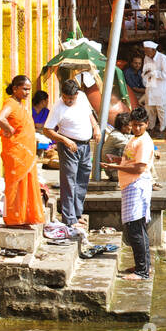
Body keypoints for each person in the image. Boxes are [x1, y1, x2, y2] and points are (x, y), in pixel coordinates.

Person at [101, 109, 154, 281]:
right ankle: (144, 265)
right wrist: (118, 161)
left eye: (141, 125)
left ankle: (142, 271)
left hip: (136, 185)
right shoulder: (134, 138)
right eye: (134, 125)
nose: (137, 128)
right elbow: (131, 161)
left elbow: (139, 168)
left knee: (135, 228)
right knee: (137, 228)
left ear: (147, 124)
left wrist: (115, 168)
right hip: (130, 185)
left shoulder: (144, 142)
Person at [41, 78, 100, 228]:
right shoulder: (58, 107)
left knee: (82, 179)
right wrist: (65, 140)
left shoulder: (81, 97)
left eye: (71, 98)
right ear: (62, 95)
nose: (69, 101)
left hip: (85, 145)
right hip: (68, 146)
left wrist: (96, 128)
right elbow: (47, 130)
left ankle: (77, 213)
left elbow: (89, 114)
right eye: (66, 98)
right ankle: (69, 218)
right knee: (69, 182)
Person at [0, 75, 45, 226]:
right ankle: (13, 218)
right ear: (15, 88)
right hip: (16, 154)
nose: (27, 93)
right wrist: (9, 129)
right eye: (24, 89)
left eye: (29, 90)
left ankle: (23, 216)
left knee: (25, 184)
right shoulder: (11, 103)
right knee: (15, 186)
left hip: (26, 154)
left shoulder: (20, 104)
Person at [141, 40, 166, 138]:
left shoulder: (163, 58)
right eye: (145, 51)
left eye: (147, 51)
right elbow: (145, 71)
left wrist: (153, 73)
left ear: (153, 50)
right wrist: (146, 74)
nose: (146, 53)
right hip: (151, 86)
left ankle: (162, 129)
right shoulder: (146, 58)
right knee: (150, 109)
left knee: (162, 110)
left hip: (161, 88)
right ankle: (151, 128)